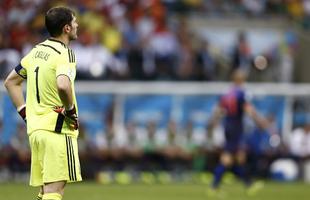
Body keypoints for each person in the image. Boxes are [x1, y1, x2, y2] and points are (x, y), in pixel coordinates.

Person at [4, 7, 81, 200]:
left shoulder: (36, 52)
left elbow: (11, 81)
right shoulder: (65, 54)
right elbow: (63, 85)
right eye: (74, 21)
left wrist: (25, 113)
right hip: (57, 129)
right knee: (54, 192)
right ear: (67, 28)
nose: (77, 24)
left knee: (45, 192)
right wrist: (71, 112)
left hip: (36, 130)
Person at [207, 69, 267, 196]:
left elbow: (219, 110)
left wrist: (213, 122)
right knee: (227, 158)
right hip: (236, 126)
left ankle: (248, 184)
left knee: (239, 156)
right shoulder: (241, 93)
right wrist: (259, 121)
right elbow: (248, 109)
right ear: (241, 80)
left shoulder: (226, 93)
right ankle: (214, 186)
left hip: (227, 126)